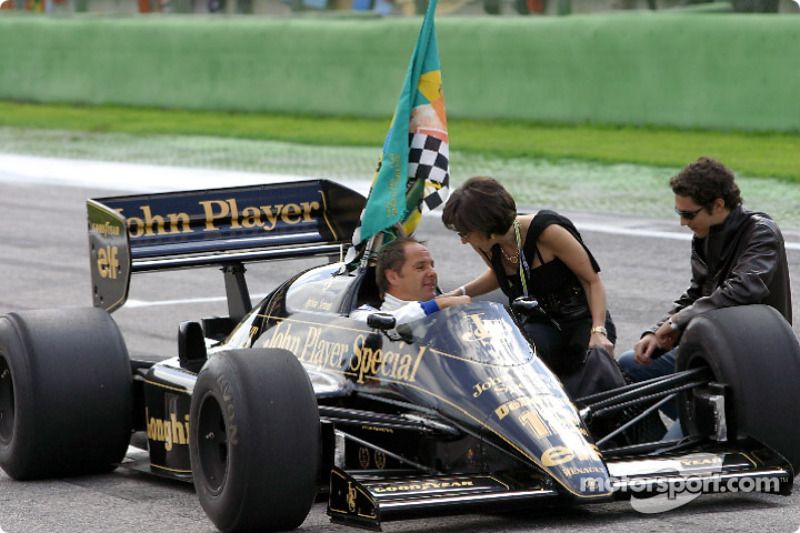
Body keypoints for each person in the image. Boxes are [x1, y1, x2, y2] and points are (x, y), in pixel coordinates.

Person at [619, 157, 792, 388]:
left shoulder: (761, 233)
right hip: (713, 346)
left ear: (718, 205)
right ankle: (691, 418)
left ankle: (700, 422)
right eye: (678, 213)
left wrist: (676, 322)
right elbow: (697, 293)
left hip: (753, 355)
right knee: (631, 364)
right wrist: (655, 332)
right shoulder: (704, 235)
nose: (682, 222)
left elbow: (742, 291)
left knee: (691, 416)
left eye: (689, 214)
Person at [441, 176, 616, 379]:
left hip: (582, 319)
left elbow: (591, 281)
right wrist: (457, 293)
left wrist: (598, 331)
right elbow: (501, 275)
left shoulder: (549, 231)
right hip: (540, 321)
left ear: (485, 226)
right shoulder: (483, 244)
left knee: (588, 377)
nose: (463, 240)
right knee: (513, 361)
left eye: (465, 233)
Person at [350, 236, 471, 325]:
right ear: (393, 277)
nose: (432, 272)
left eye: (432, 266)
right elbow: (391, 320)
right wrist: (439, 304)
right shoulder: (362, 316)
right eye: (420, 267)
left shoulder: (446, 318)